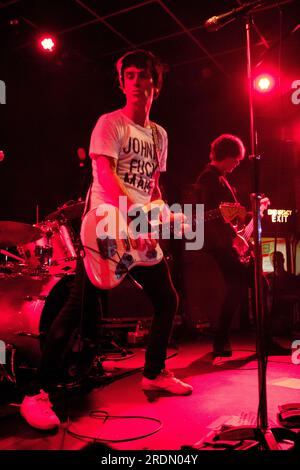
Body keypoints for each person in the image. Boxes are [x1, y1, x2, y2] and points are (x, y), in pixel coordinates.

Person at [20, 50, 192, 431]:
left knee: (167, 299)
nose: (135, 82)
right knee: (80, 308)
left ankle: (154, 372)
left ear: (154, 84)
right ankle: (37, 393)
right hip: (106, 226)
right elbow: (107, 177)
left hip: (141, 230)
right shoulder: (108, 124)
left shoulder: (159, 135)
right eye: (128, 76)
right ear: (122, 82)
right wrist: (139, 215)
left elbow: (153, 185)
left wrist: (161, 211)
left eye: (142, 76)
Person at [194, 134, 289, 364]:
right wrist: (232, 240)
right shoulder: (209, 179)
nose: (237, 164)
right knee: (248, 287)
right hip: (222, 245)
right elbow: (208, 216)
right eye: (236, 159)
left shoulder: (220, 179)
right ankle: (247, 341)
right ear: (226, 156)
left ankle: (227, 342)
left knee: (244, 288)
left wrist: (254, 211)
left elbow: (231, 215)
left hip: (227, 243)